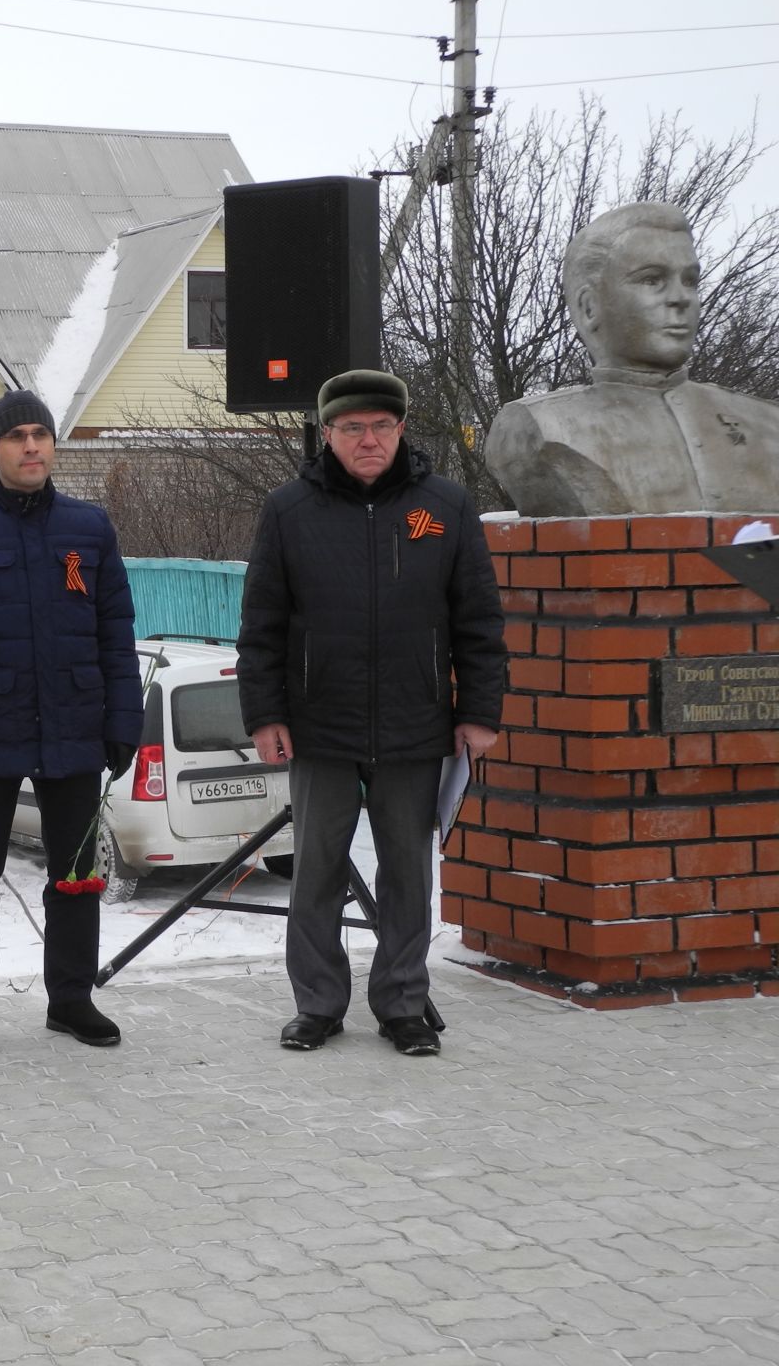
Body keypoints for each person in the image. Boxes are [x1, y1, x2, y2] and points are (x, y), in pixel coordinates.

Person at [239, 370, 506, 1058]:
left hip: (417, 724)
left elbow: (478, 620)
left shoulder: (445, 507)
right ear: (327, 434)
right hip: (319, 724)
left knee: (408, 874)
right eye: (352, 427)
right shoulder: (288, 510)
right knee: (318, 873)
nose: (368, 439)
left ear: (401, 430)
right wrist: (265, 713)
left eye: (381, 426)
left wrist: (478, 712)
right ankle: (318, 1005)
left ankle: (403, 1004)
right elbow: (262, 625)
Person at [0, 390, 142, 1055]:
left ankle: (71, 999)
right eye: (16, 436)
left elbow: (114, 632)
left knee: (74, 875)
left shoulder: (89, 530)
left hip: (73, 725)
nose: (31, 446)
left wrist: (123, 718)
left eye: (41, 434)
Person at [485, 202, 779, 515]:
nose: (681, 298)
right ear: (589, 307)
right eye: (652, 279)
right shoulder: (537, 427)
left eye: (690, 280)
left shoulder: (767, 423)